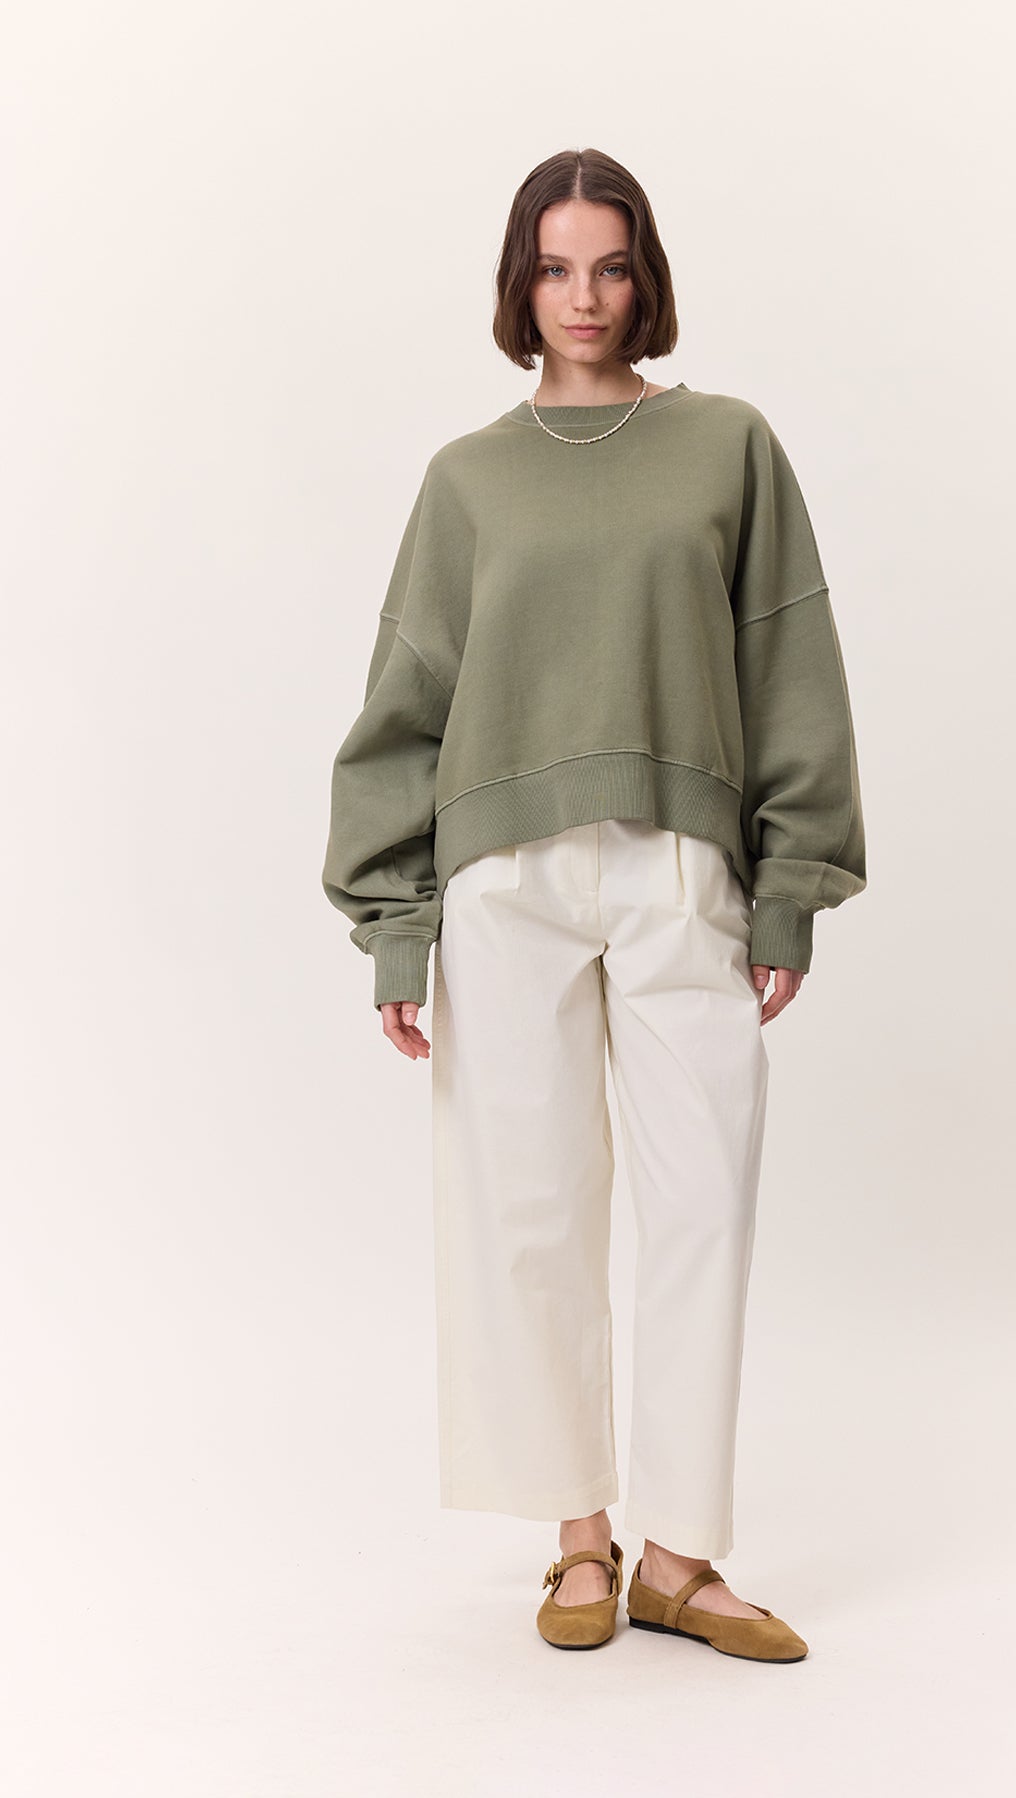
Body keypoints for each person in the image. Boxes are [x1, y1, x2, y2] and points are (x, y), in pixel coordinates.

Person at [321, 147, 867, 1662]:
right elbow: (407, 705)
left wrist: (791, 884)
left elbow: (789, 670)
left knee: (705, 1198)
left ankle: (681, 1558)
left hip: (681, 863)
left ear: (646, 277)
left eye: (610, 266)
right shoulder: (469, 480)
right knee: (530, 1209)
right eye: (556, 268)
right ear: (521, 284)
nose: (584, 297)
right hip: (503, 880)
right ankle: (579, 1538)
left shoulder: (726, 446)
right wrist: (397, 918)